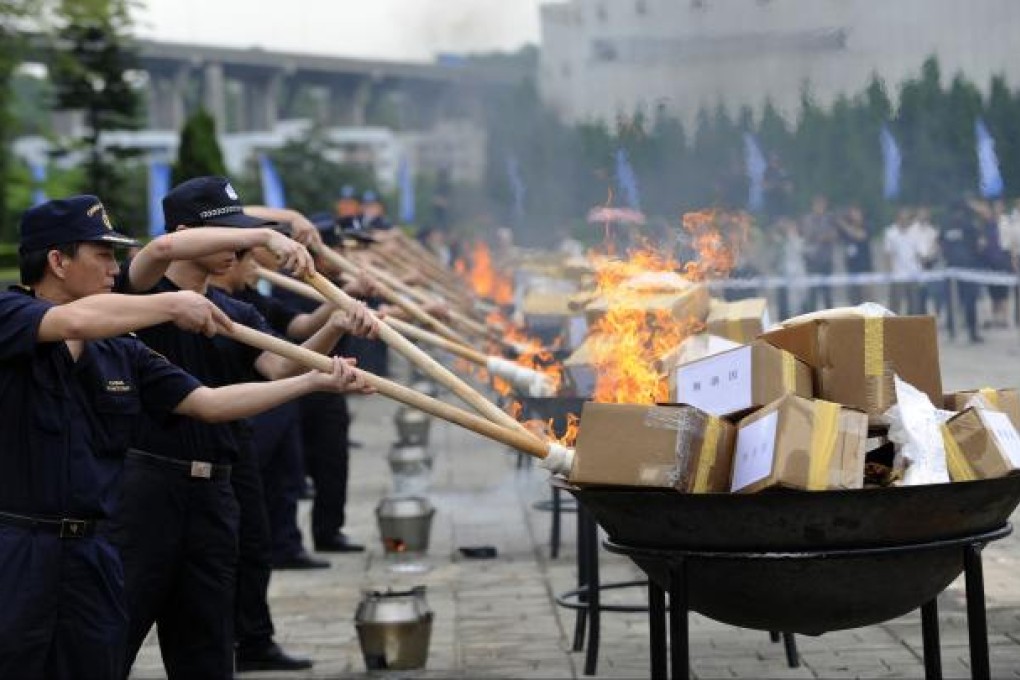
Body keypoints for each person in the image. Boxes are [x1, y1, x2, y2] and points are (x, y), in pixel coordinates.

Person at [0, 195, 360, 679]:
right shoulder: (11, 312)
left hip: (92, 550)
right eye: (102, 255)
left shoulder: (120, 348)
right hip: (20, 546)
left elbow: (208, 403)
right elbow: (72, 320)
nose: (114, 268)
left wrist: (315, 381)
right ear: (57, 261)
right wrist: (170, 303)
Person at [113, 176, 377, 679]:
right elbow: (162, 247)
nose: (237, 250)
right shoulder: (140, 295)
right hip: (147, 490)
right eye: (227, 236)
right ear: (195, 233)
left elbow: (281, 369)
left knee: (208, 643)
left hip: (217, 487)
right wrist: (261, 235)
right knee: (114, 634)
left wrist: (337, 323)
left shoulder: (237, 311)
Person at [941, 200, 985, 343]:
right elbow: (978, 247)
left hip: (958, 269)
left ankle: (960, 331)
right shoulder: (969, 225)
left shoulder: (947, 226)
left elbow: (942, 246)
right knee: (962, 301)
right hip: (963, 269)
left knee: (961, 302)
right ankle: (966, 332)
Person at [800, 195, 837, 311]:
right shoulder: (808, 219)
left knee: (827, 294)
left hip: (826, 261)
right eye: (817, 205)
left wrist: (822, 237)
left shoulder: (830, 219)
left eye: (822, 204)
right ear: (813, 206)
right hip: (812, 261)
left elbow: (833, 236)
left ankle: (831, 320)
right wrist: (822, 237)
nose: (820, 207)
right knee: (812, 294)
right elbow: (807, 235)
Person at [835, 204, 873, 305]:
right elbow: (837, 238)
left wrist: (843, 224)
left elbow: (860, 235)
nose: (854, 215)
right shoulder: (845, 229)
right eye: (852, 213)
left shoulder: (867, 225)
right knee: (853, 298)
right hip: (851, 268)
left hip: (865, 267)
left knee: (867, 297)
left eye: (856, 213)